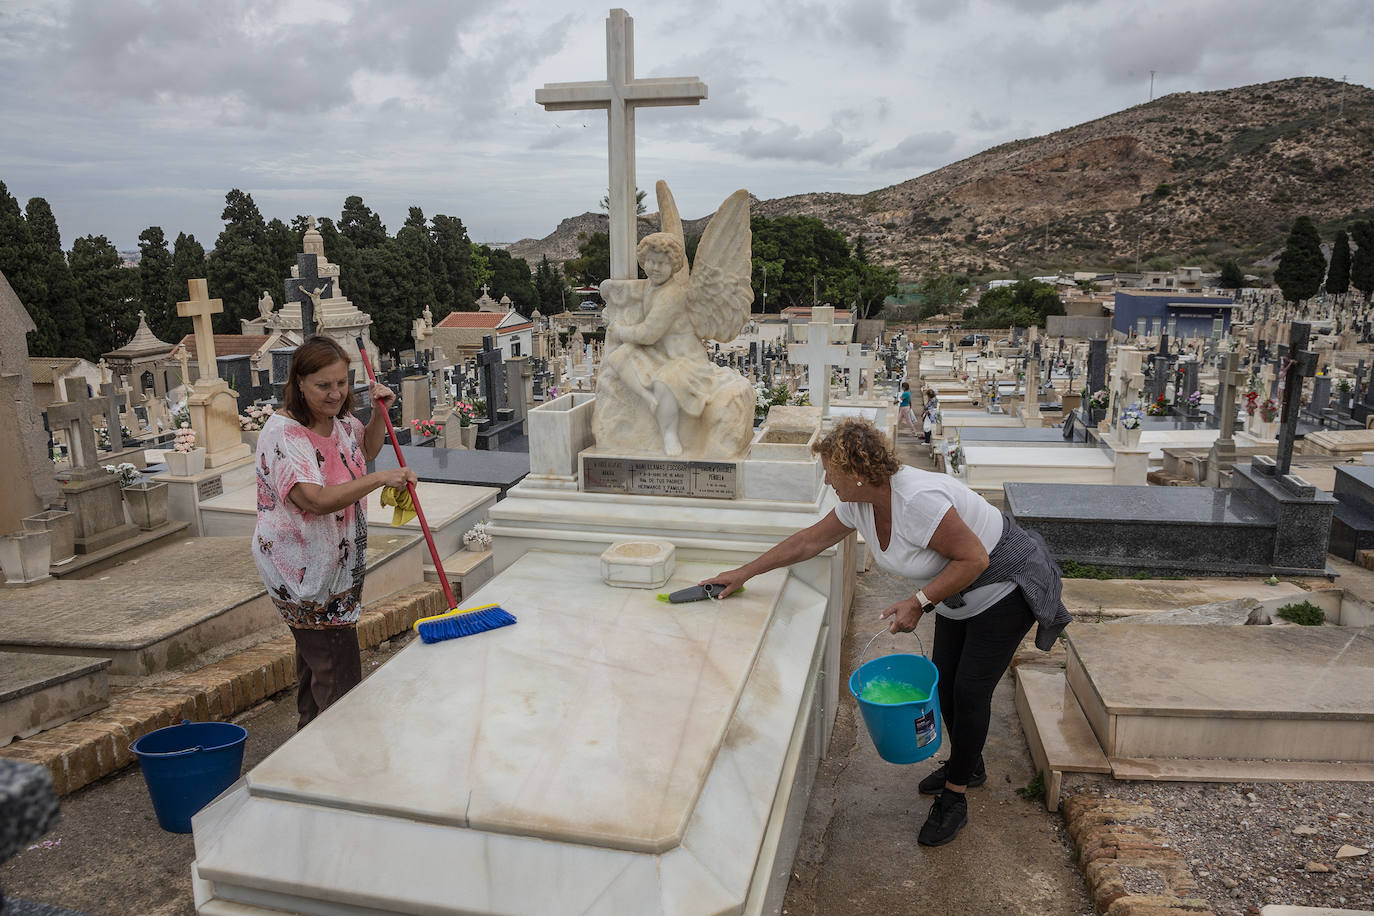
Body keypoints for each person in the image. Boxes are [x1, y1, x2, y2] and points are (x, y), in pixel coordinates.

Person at [700, 418, 1068, 847]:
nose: (826, 479)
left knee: (969, 692)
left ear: (855, 471)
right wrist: (744, 573)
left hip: (1004, 588)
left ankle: (955, 797)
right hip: (958, 594)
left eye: (829, 471)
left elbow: (974, 560)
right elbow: (807, 542)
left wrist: (918, 602)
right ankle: (971, 764)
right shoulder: (860, 503)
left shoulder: (919, 501)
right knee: (944, 683)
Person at [252, 336, 417, 730]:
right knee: (339, 676)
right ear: (300, 383)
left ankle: (306, 747)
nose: (335, 393)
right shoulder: (285, 435)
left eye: (341, 383)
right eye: (323, 385)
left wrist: (380, 415)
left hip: (336, 569)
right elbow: (314, 499)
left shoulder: (340, 422)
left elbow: (367, 449)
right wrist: (379, 480)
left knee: (316, 666)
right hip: (303, 574)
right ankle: (344, 758)